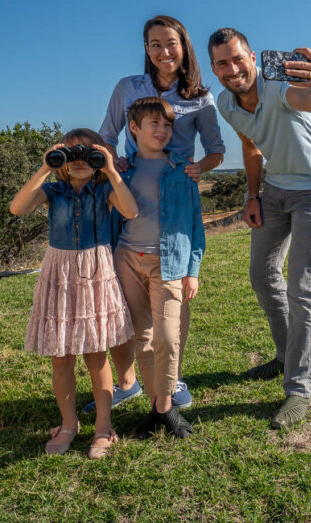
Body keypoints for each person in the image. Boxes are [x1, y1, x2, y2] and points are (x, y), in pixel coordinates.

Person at [91, 15, 225, 413]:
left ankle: (171, 380)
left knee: (170, 318)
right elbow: (106, 136)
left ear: (184, 46)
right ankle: (136, 384)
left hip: (176, 197)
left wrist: (201, 168)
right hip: (132, 205)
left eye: (171, 43)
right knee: (133, 322)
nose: (163, 52)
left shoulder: (200, 97)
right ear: (146, 49)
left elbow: (216, 148)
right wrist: (117, 172)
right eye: (154, 44)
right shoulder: (128, 88)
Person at [207, 27, 311, 429]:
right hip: (274, 188)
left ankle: (298, 389)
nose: (232, 69)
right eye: (222, 63)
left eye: (237, 58)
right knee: (262, 275)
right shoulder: (226, 104)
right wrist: (251, 195)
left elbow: (310, 100)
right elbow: (250, 146)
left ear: (251, 57)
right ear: (214, 69)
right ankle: (284, 355)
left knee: (303, 286)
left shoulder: (278, 87)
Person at [9, 129, 138, 458]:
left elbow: (130, 211)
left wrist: (110, 169)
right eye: (71, 156)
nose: (80, 162)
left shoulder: (106, 188)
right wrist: (44, 169)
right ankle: (69, 425)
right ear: (62, 161)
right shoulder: (53, 190)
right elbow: (17, 208)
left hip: (96, 271)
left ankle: (103, 428)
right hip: (60, 273)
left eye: (88, 156)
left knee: (96, 354)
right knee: (60, 356)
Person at [113, 96, 205, 438]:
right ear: (134, 128)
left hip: (169, 263)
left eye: (168, 125)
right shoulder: (124, 170)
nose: (163, 130)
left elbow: (196, 224)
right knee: (143, 337)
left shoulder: (183, 170)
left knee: (168, 336)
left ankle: (165, 408)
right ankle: (158, 405)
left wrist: (192, 269)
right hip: (127, 260)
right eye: (154, 124)